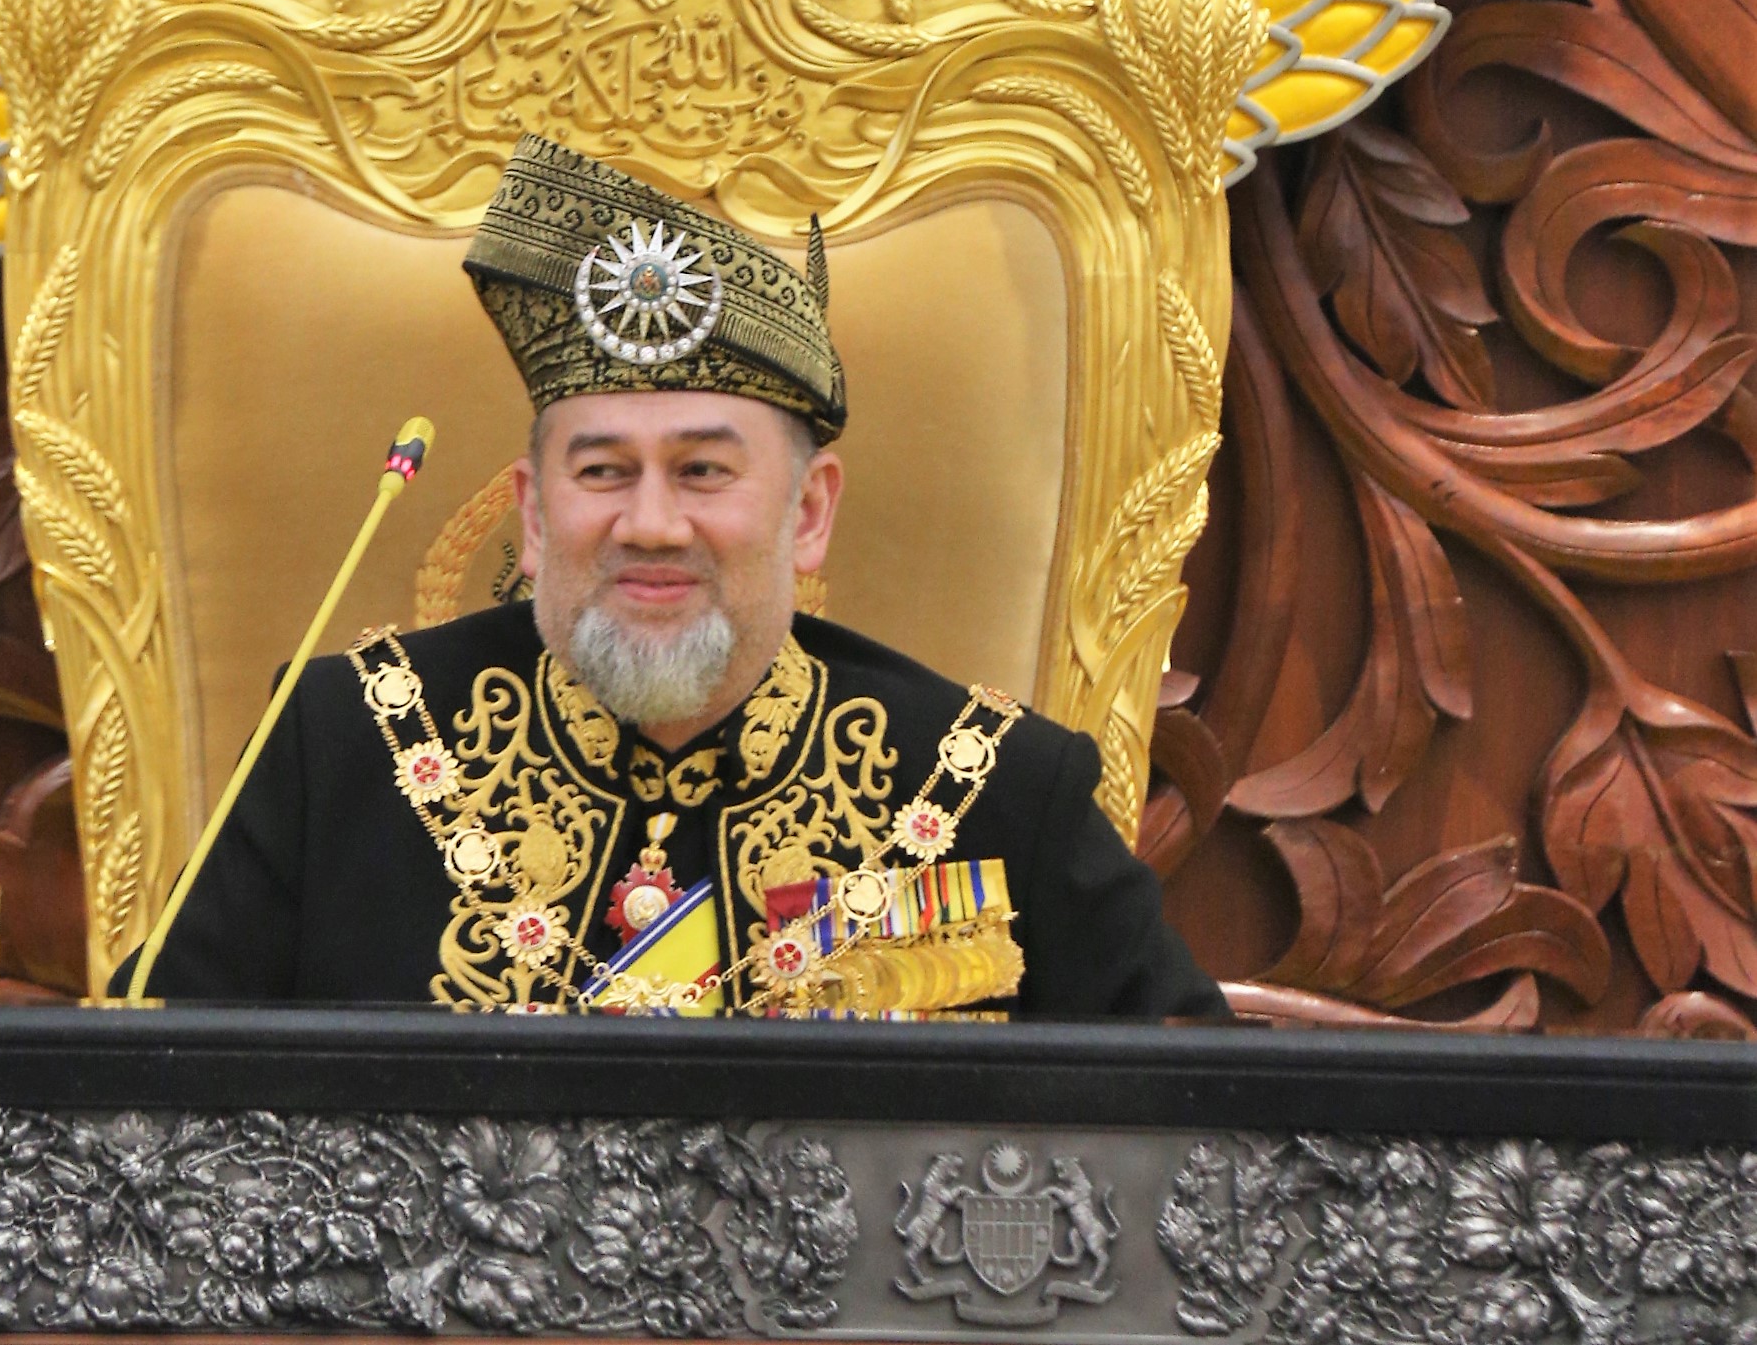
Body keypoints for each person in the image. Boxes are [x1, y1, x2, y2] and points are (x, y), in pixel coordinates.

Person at [123, 134, 1226, 1019]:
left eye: (703, 470)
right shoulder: (342, 746)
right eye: (602, 470)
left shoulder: (989, 788)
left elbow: (1198, 1133)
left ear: (808, 511)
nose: (650, 523)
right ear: (534, 514)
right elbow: (142, 1104)